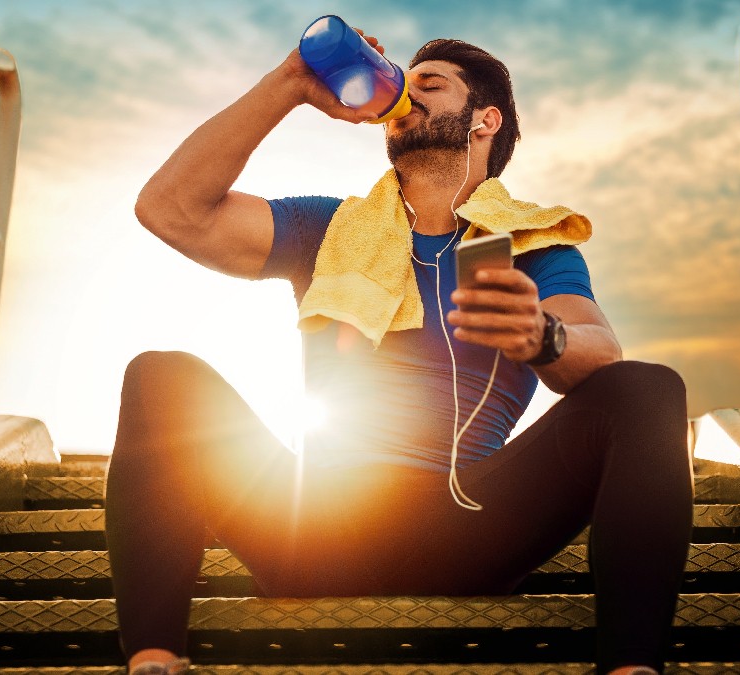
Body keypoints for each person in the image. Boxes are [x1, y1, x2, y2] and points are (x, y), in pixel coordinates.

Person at [106, 29, 693, 675]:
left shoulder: (536, 246)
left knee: (648, 385)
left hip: (470, 525)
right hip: (318, 522)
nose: (407, 92)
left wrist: (541, 335)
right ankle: (156, 661)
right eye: (403, 82)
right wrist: (290, 85)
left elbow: (601, 354)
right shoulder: (329, 228)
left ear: (485, 119)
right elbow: (169, 210)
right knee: (161, 375)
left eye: (431, 84)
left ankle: (631, 667)